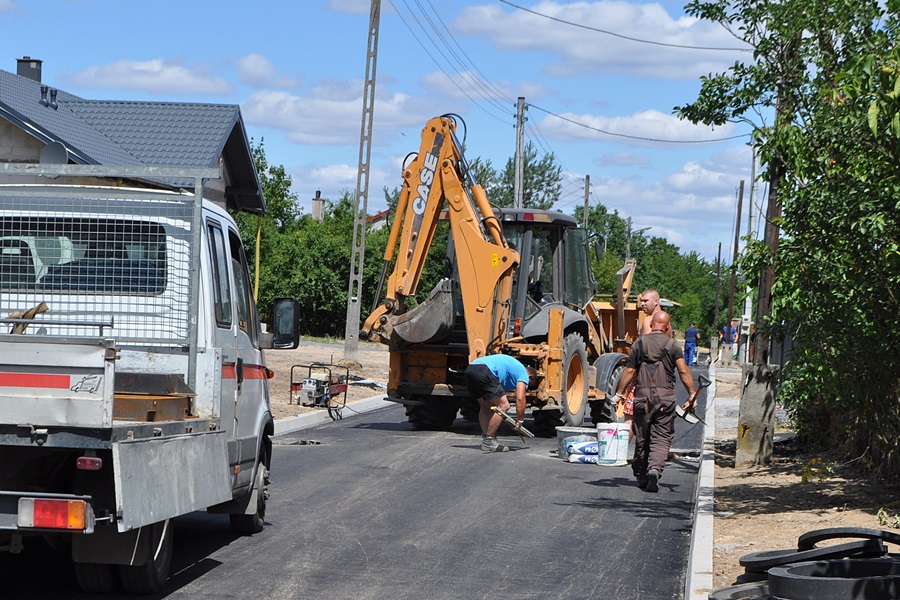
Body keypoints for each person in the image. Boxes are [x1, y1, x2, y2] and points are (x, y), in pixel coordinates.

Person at [613, 310, 696, 492]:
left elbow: (629, 371)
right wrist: (691, 393)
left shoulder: (639, 343)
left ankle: (641, 474)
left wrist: (619, 393)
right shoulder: (673, 345)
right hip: (665, 399)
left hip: (642, 398)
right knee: (661, 436)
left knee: (642, 437)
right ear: (667, 326)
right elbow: (683, 371)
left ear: (651, 325)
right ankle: (654, 469)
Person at [465, 353, 539, 452]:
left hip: (470, 369)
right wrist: (520, 420)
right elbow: (520, 398)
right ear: (530, 376)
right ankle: (489, 440)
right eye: (528, 385)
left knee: (485, 406)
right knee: (504, 405)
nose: (526, 386)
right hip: (484, 371)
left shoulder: (513, 368)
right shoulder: (523, 373)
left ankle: (488, 438)